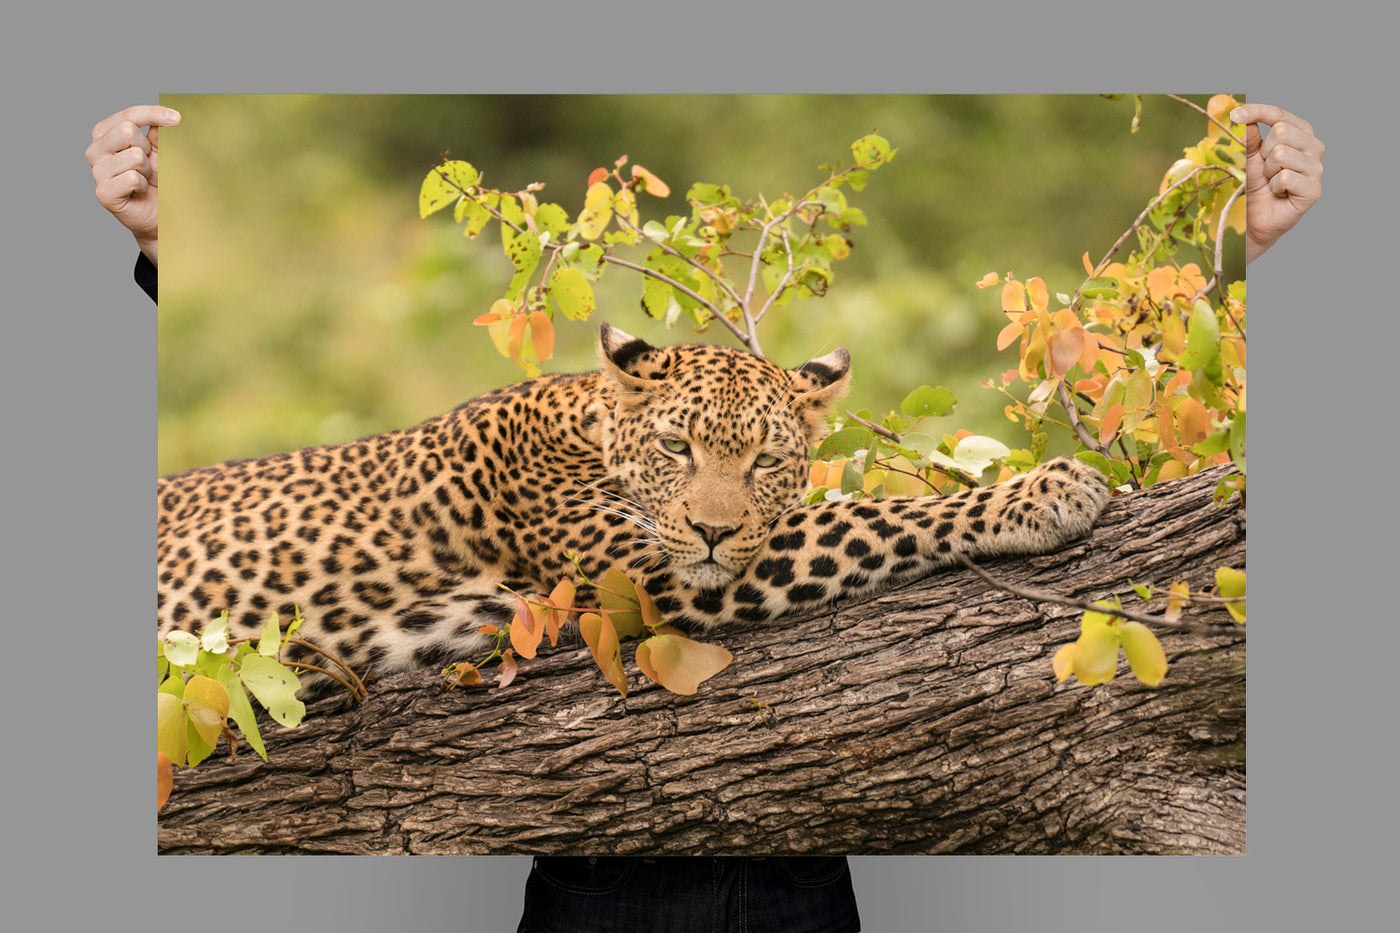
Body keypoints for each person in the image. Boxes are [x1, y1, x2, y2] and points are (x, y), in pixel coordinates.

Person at [102, 99, 1320, 932]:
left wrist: (1279, 260)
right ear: (626, 396)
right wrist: (964, 517)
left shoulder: (742, 454)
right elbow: (670, 600)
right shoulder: (538, 451)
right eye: (687, 459)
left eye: (758, 467)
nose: (717, 507)